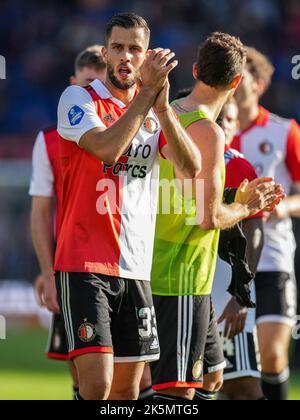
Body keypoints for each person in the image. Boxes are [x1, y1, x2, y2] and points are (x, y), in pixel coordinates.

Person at [54, 12, 202, 401]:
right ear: (104, 53)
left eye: (134, 49)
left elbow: (191, 169)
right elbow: (107, 148)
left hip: (135, 266)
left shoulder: (154, 114)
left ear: (145, 55)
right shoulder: (79, 98)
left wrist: (164, 106)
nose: (125, 57)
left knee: (126, 392)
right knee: (98, 385)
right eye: (117, 48)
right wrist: (145, 100)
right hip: (84, 263)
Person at [150, 32, 284, 401]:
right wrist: (248, 205)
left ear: (195, 70)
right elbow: (208, 217)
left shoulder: (168, 114)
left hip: (185, 274)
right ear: (237, 82)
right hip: (180, 276)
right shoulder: (208, 132)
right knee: (179, 394)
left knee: (213, 380)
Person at [30, 45, 107, 400]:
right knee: (83, 372)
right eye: (87, 83)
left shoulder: (129, 129)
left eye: (99, 82)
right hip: (74, 263)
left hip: (124, 259)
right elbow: (42, 211)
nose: (93, 90)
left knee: (133, 374)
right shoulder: (47, 141)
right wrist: (48, 271)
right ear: (73, 83)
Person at [233, 46, 300, 400]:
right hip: (225, 261)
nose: (234, 83)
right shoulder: (214, 131)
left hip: (272, 255)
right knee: (230, 369)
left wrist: (281, 207)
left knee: (271, 355)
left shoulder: (283, 131)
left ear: (258, 84)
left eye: (240, 76)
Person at [212, 97, 265, 400]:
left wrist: (241, 295)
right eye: (218, 118)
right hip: (183, 287)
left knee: (241, 387)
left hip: (225, 293)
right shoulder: (176, 161)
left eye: (229, 120)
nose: (223, 126)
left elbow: (255, 232)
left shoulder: (238, 166)